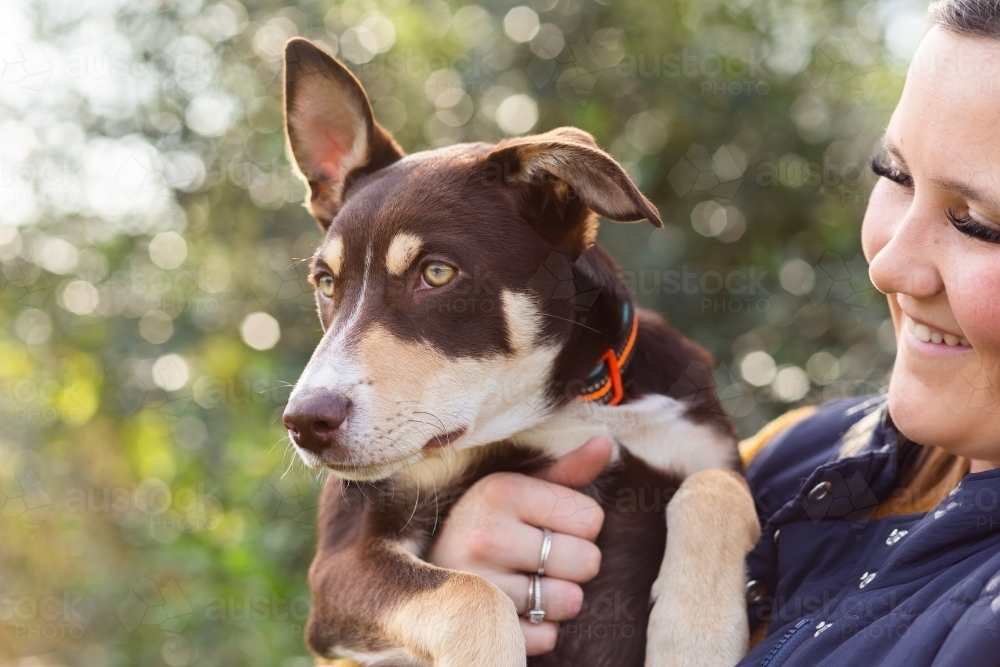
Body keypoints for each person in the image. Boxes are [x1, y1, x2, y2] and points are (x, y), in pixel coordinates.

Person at [426, 0, 1000, 663]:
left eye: (978, 223)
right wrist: (451, 587)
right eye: (895, 176)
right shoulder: (800, 452)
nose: (889, 264)